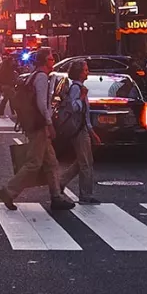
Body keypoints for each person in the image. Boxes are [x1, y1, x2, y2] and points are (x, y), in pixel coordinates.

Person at [0, 51, 67, 211]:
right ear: (43, 61)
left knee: (51, 162)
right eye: (50, 58)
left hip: (34, 124)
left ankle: (56, 197)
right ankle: (9, 191)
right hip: (39, 125)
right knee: (34, 163)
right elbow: (42, 103)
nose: (53, 61)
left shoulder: (34, 75)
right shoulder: (41, 77)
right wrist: (49, 123)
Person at [55, 58, 97, 205]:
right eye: (85, 70)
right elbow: (74, 108)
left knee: (83, 161)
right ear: (79, 73)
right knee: (86, 163)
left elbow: (86, 113)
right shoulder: (76, 89)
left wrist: (91, 131)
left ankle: (60, 182)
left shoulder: (80, 88)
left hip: (83, 128)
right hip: (77, 130)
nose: (88, 72)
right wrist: (82, 97)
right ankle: (86, 195)